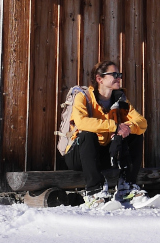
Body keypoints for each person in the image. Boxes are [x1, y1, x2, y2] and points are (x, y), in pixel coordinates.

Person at [63, 59, 148, 204]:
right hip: (79, 154)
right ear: (99, 79)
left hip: (104, 155)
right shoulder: (83, 97)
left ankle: (126, 188)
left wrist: (126, 128)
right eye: (114, 74)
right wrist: (114, 126)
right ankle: (94, 193)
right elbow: (82, 122)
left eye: (119, 74)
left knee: (136, 133)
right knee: (87, 134)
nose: (119, 77)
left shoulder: (120, 100)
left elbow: (142, 122)